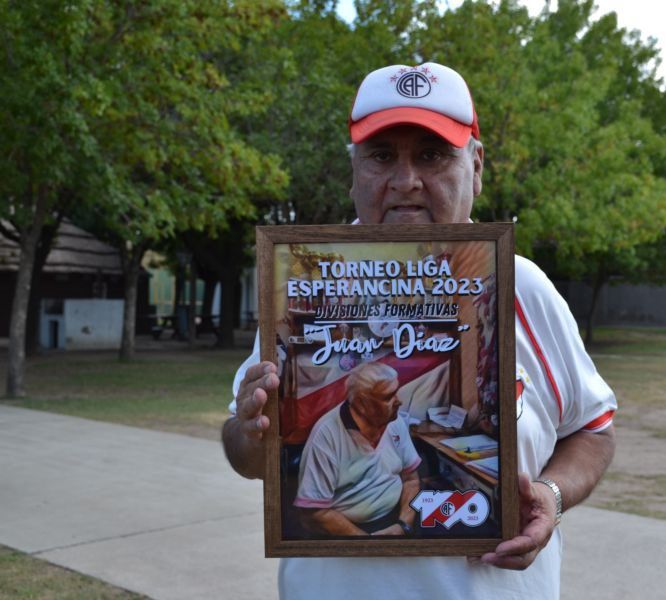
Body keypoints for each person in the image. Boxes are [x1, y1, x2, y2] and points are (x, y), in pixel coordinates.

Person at [223, 61, 617, 600]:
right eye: (382, 156)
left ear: (475, 166)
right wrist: (248, 433)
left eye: (433, 155)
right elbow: (248, 457)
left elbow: (592, 429)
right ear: (354, 170)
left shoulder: (519, 284)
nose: (406, 181)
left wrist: (551, 493)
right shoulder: (303, 279)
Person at [294, 362, 421, 536]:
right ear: (362, 403)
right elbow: (315, 512)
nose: (399, 401)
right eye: (388, 397)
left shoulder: (394, 420)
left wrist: (404, 525)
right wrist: (367, 544)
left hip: (399, 517)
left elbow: (411, 480)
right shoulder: (326, 434)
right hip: (349, 531)